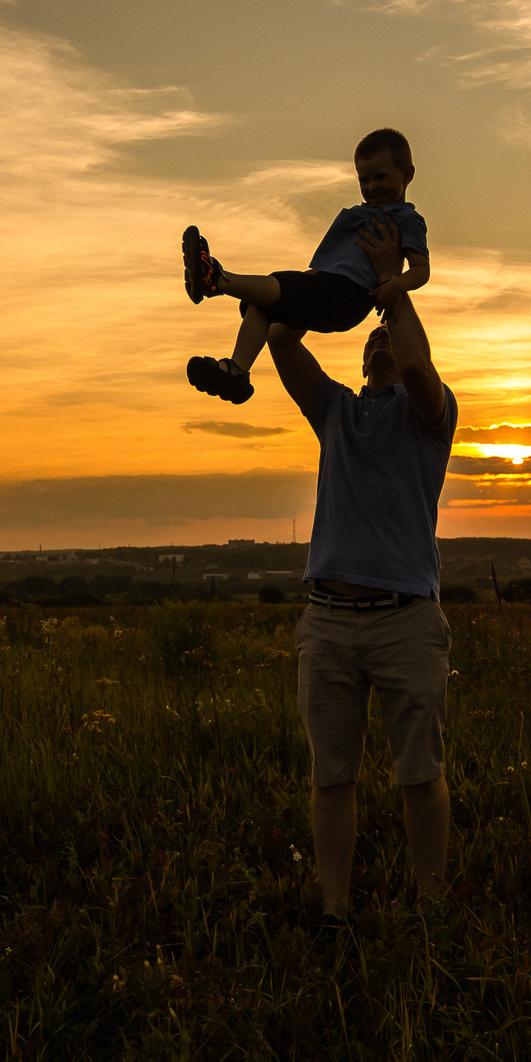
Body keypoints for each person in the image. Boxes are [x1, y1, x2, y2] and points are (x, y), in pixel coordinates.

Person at [261, 218, 456, 930]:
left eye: (387, 334)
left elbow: (417, 368)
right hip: (331, 620)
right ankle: (336, 908)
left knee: (419, 774)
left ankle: (432, 907)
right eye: (371, 335)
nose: (378, 339)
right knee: (331, 776)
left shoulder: (431, 414)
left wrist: (392, 290)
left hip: (406, 618)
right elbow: (283, 341)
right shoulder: (337, 411)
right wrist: (319, 293)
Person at [180, 127, 431, 405]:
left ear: (407, 175)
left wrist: (395, 285)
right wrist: (311, 277)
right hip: (328, 285)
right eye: (364, 179)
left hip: (349, 295)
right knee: (263, 305)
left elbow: (421, 270)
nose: (371, 187)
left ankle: (217, 280)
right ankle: (237, 370)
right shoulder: (363, 214)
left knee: (280, 284)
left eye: (380, 177)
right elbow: (333, 262)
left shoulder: (407, 219)